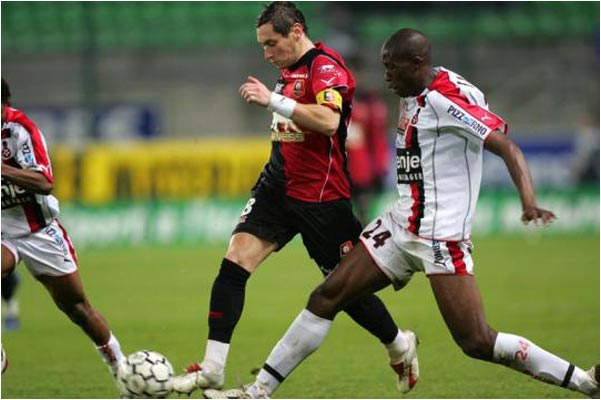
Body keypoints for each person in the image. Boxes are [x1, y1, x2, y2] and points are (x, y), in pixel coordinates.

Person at [204, 28, 600, 399]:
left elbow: (506, 146)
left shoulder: (444, 100)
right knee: (327, 295)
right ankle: (258, 392)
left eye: (392, 66)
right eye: (384, 65)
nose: (386, 75)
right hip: (399, 226)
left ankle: (584, 380)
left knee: (475, 340)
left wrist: (528, 202)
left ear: (416, 63)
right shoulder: (414, 88)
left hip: (439, 237)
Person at [172, 2, 417, 395]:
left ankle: (399, 344)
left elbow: (328, 121)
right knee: (234, 262)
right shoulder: (288, 71)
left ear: (296, 31)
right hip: (277, 188)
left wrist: (272, 100)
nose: (266, 54)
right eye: (262, 46)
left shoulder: (326, 67)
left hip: (321, 197)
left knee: (342, 289)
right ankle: (213, 368)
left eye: (271, 44)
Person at [1, 77, 125, 383]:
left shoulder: (20, 130)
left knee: (78, 309)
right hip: (2, 231)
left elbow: (44, 182)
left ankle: (122, 371)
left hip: (38, 231)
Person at [346, 56, 391, 224]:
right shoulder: (331, 99)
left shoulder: (370, 101)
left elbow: (378, 138)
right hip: (337, 168)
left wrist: (379, 167)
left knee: (363, 212)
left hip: (362, 169)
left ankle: (363, 246)